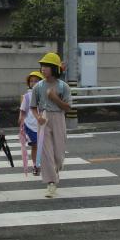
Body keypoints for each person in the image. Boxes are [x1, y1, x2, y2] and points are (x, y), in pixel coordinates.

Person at [30, 53, 71, 198]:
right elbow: (33, 107)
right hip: (44, 119)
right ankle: (51, 183)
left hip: (59, 118)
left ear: (54, 68)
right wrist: (38, 117)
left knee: (58, 154)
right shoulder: (38, 87)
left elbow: (67, 107)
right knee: (46, 153)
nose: (43, 68)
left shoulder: (63, 86)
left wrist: (54, 98)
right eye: (42, 66)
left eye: (46, 66)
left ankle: (56, 170)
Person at [18, 71, 42, 176]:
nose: (33, 83)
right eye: (31, 81)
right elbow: (23, 110)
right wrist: (20, 119)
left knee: (44, 146)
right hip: (30, 125)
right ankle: (36, 165)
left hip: (42, 124)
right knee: (35, 146)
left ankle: (46, 165)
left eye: (36, 81)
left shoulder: (44, 95)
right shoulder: (27, 96)